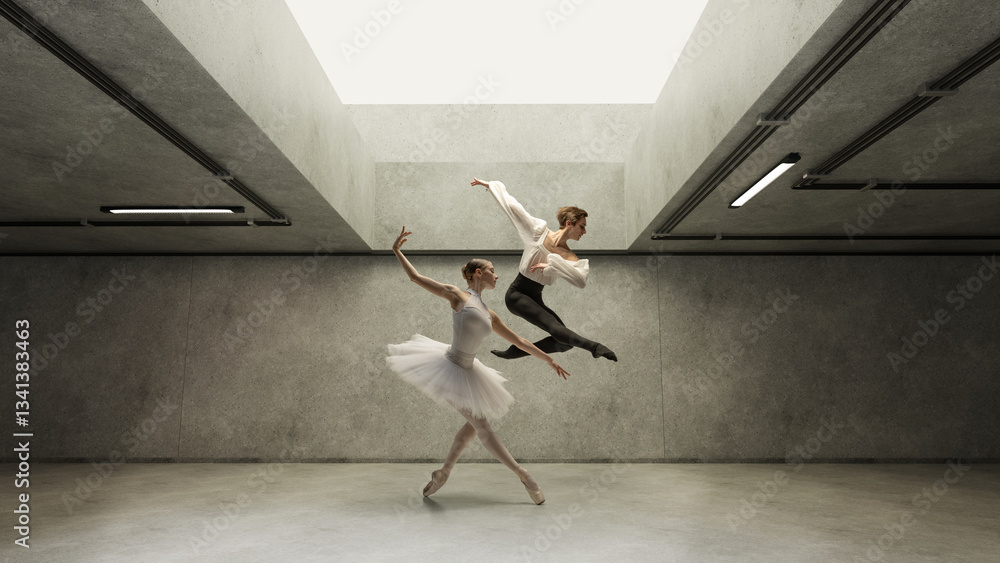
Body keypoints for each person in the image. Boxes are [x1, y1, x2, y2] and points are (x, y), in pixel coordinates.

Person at [386, 226, 570, 504]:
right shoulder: (457, 296)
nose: (497, 275)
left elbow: (519, 340)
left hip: (471, 370)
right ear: (478, 273)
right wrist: (397, 251)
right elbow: (415, 277)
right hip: (450, 368)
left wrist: (548, 358)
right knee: (482, 426)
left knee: (473, 427)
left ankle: (443, 473)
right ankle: (524, 475)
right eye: (492, 270)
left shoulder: (489, 313)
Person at [470, 178, 617, 362]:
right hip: (516, 295)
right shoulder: (538, 232)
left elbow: (580, 281)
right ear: (569, 223)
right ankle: (594, 347)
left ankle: (515, 351)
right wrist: (491, 186)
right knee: (556, 329)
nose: (584, 232)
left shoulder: (569, 257)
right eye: (582, 226)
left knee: (565, 342)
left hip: (535, 297)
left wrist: (552, 265)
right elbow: (514, 208)